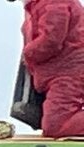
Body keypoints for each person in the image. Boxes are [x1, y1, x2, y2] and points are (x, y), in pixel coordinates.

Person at [9, 0, 84, 137]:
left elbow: (52, 40)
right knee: (55, 123)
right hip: (59, 75)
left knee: (58, 125)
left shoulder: (54, 2)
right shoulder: (40, 5)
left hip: (67, 74)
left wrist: (28, 53)